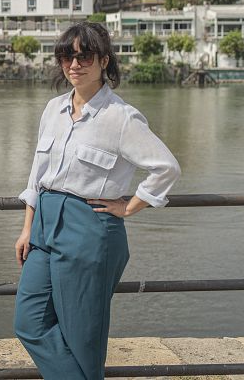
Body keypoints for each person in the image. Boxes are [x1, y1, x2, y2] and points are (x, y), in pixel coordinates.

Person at [13, 22, 180, 380]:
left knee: (82, 339)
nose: (74, 64)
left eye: (84, 56)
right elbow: (36, 172)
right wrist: (27, 227)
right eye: (66, 56)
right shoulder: (53, 109)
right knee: (29, 323)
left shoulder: (120, 118)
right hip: (44, 228)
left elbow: (166, 167)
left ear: (104, 61)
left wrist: (130, 206)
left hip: (89, 230)